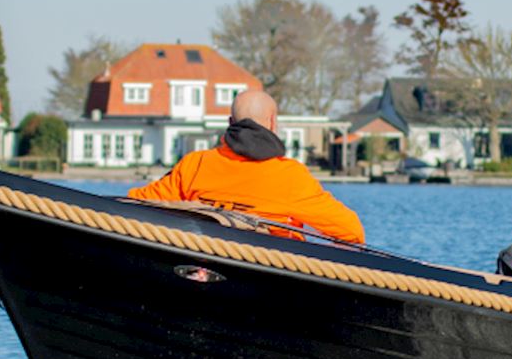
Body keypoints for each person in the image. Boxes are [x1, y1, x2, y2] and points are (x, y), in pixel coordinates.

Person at [127, 89, 366, 244]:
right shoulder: (289, 176)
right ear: (273, 123)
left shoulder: (196, 164)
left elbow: (134, 205)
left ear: (230, 124)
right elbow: (351, 230)